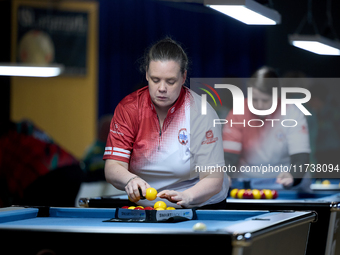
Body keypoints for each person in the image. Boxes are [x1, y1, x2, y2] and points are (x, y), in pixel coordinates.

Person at [104, 38, 229, 209]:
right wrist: (130, 179)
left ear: (183, 77)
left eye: (170, 81)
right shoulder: (128, 109)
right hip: (147, 207)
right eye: (155, 80)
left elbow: (213, 179)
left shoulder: (200, 112)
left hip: (200, 203)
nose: (162, 88)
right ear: (147, 74)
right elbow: (113, 166)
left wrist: (187, 196)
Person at [223, 67, 311, 191]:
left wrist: (293, 175)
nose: (259, 106)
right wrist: (225, 174)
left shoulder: (292, 112)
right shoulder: (237, 111)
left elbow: (301, 157)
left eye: (265, 100)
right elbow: (229, 156)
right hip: (246, 184)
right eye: (254, 100)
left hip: (285, 185)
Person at [0, 120, 84, 207]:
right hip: (72, 169)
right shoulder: (24, 128)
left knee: (39, 215)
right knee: (64, 214)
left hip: (44, 177)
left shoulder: (5, 139)